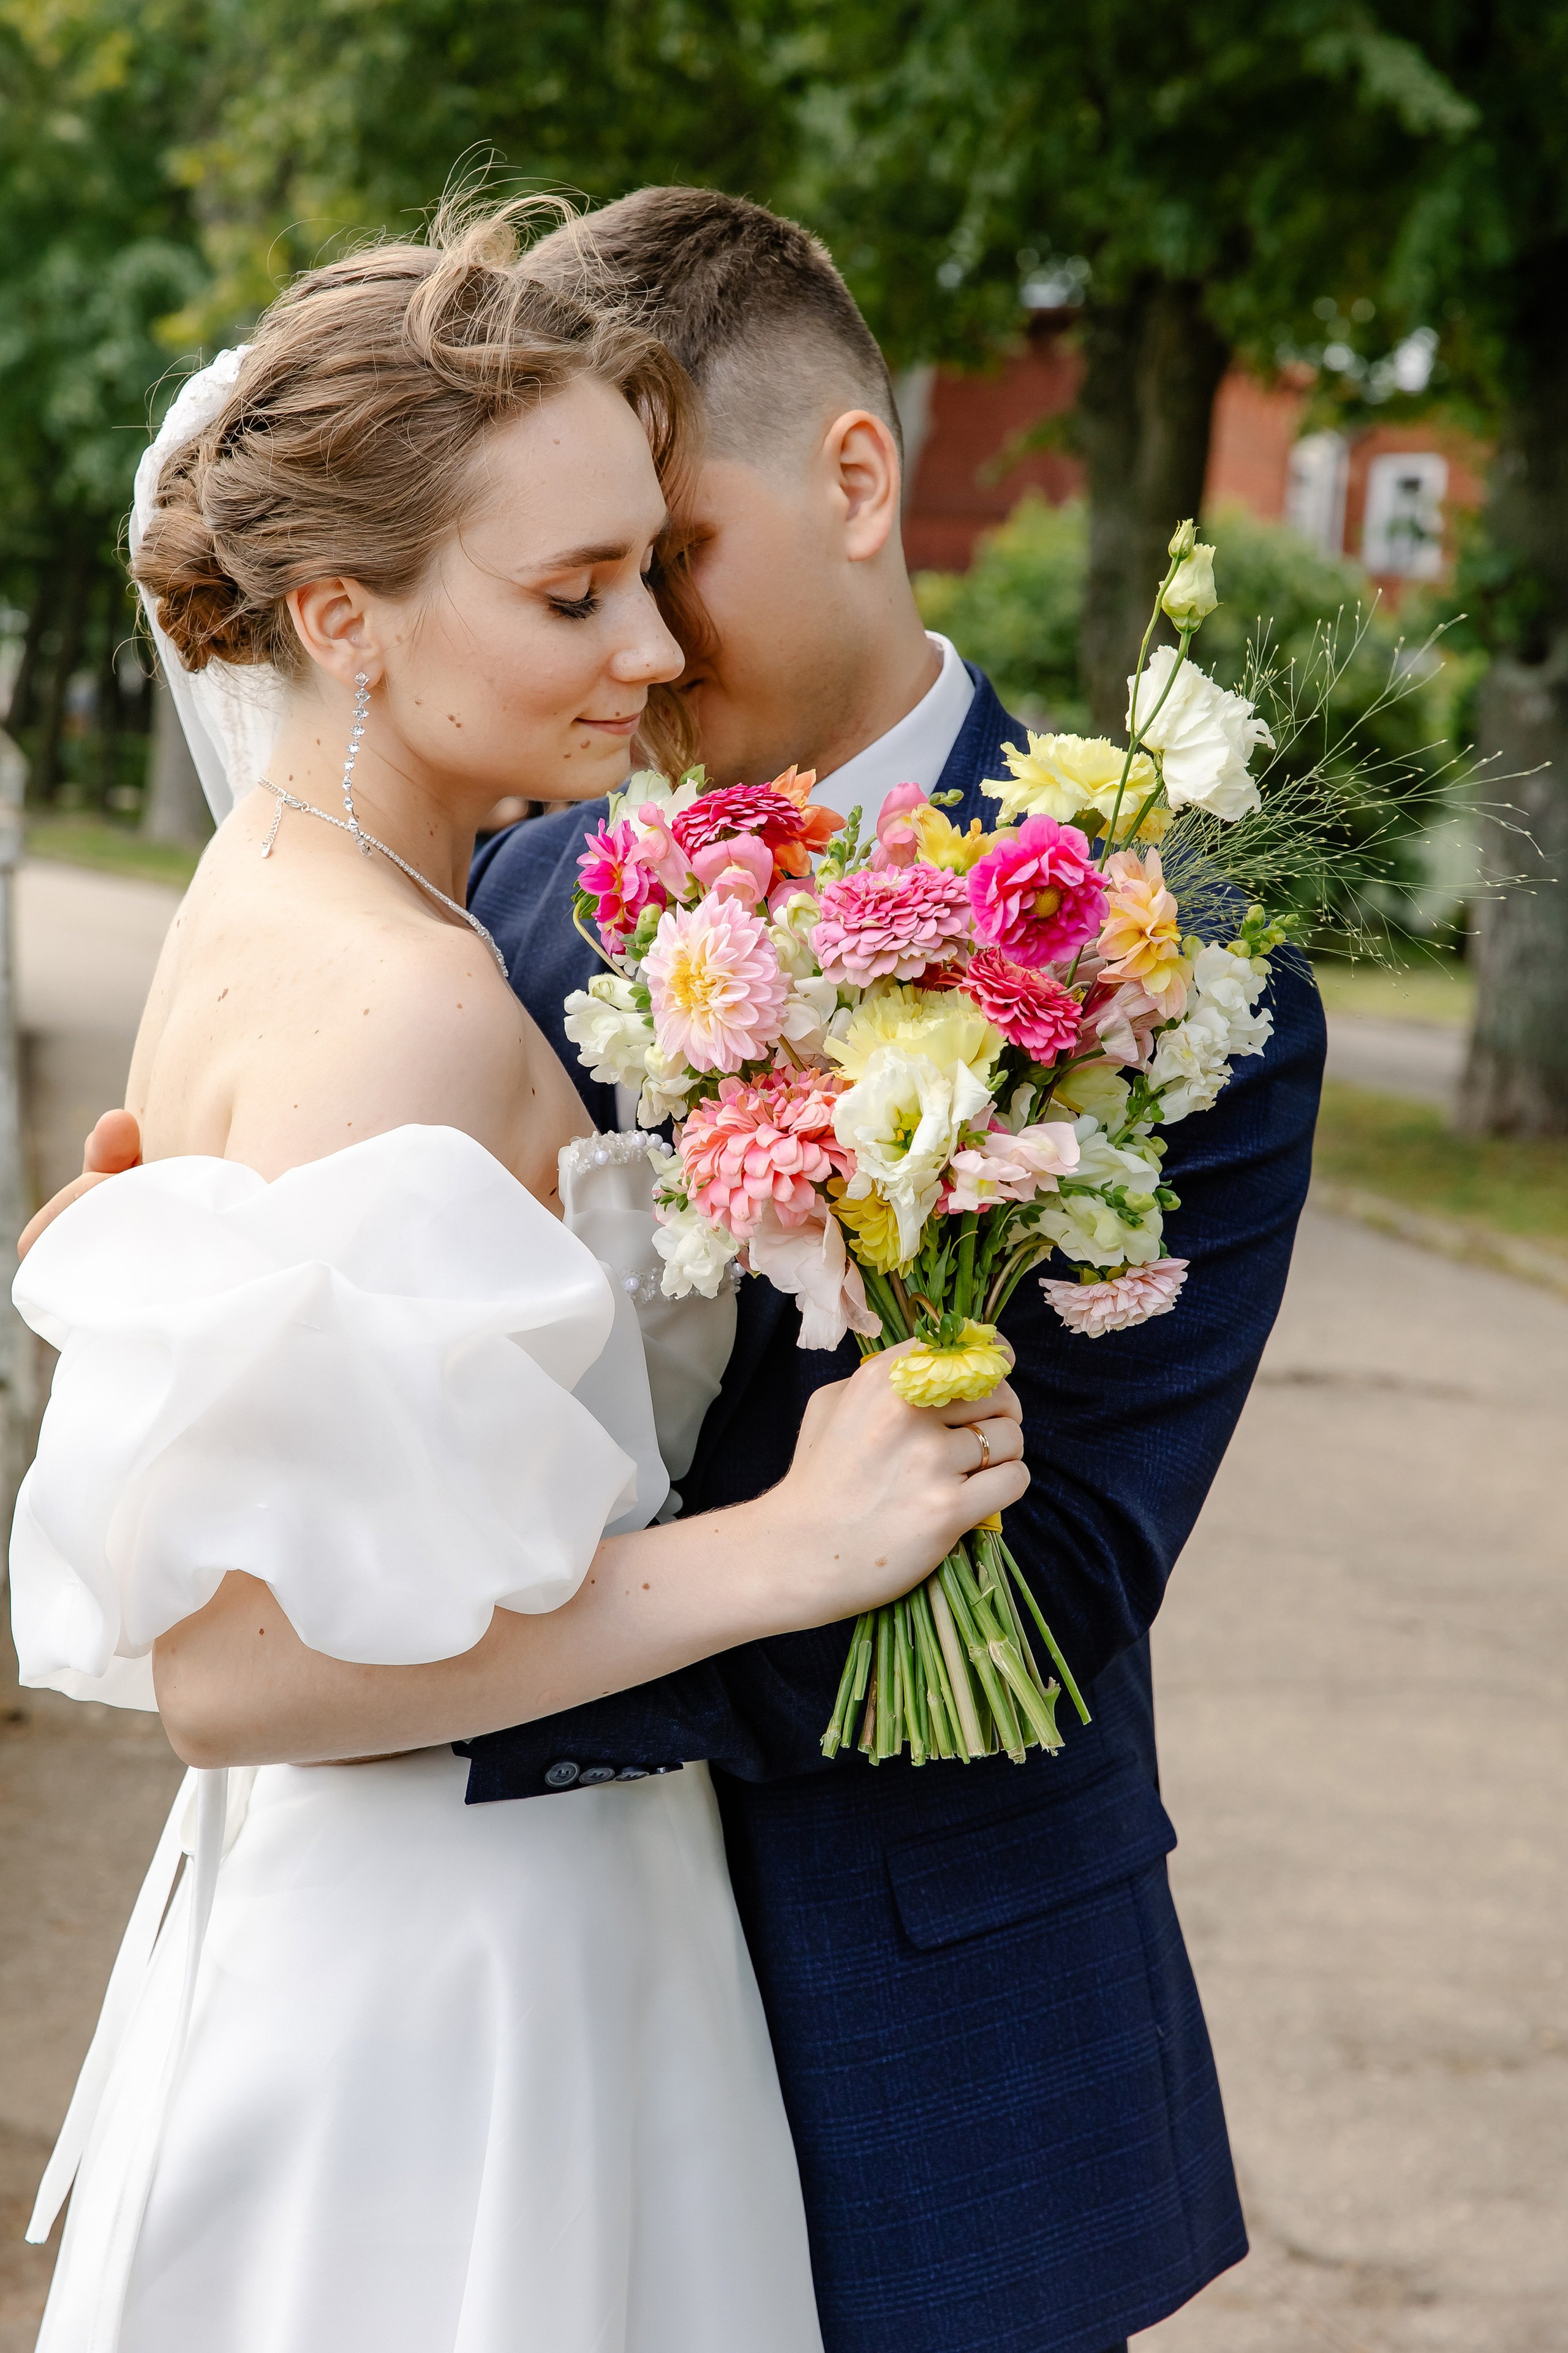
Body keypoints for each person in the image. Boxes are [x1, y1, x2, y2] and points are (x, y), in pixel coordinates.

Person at [28, 192, 1327, 2353]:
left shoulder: (1169, 963)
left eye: (671, 555)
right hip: (510, 2001)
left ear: (854, 475)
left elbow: (1071, 1562)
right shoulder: (501, 887)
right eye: (583, 577)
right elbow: (294, 1500)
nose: (644, 643)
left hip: (926, 2025)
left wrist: (510, 1683)